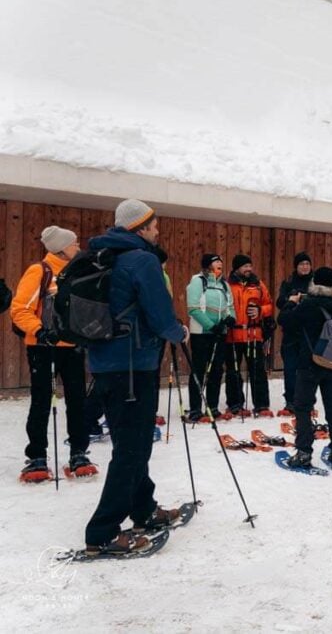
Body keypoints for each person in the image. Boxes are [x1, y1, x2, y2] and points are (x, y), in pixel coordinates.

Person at [84, 198, 189, 556]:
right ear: (140, 228)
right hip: (133, 367)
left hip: (105, 364)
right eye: (153, 225)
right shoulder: (142, 260)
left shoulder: (104, 256)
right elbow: (160, 315)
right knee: (132, 448)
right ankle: (102, 532)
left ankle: (144, 509)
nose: (157, 231)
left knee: (131, 443)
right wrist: (179, 333)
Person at [11, 225, 91, 482]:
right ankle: (37, 456)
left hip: (73, 347)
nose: (78, 246)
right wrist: (40, 331)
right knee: (42, 400)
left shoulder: (77, 272)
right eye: (74, 243)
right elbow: (19, 309)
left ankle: (79, 452)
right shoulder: (40, 271)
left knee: (77, 400)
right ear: (61, 247)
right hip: (43, 347)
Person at [278, 266, 332, 468]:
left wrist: (291, 303)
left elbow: (284, 321)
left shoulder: (309, 304)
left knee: (302, 407)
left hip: (310, 362)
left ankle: (304, 451)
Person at [185, 254, 235, 422]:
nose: (219, 264)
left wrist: (230, 318)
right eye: (216, 262)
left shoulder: (224, 284)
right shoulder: (198, 282)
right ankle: (195, 408)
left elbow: (229, 306)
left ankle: (212, 406)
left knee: (216, 370)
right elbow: (193, 308)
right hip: (201, 333)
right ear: (207, 266)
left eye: (220, 262)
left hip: (219, 334)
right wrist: (211, 326)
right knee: (199, 370)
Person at [225, 254, 274, 418]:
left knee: (258, 370)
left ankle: (261, 404)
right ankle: (235, 403)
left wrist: (260, 311)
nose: (248, 269)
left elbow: (268, 304)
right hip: (233, 334)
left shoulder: (258, 284)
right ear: (237, 268)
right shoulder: (227, 285)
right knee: (233, 371)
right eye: (245, 266)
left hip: (254, 334)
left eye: (249, 266)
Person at [276, 251, 314, 417]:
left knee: (308, 369)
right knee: (290, 368)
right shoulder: (289, 282)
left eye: (307, 264)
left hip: (309, 332)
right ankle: (290, 400)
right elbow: (279, 302)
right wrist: (291, 300)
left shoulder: (316, 283)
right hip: (291, 331)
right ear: (296, 266)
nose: (305, 267)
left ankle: (307, 400)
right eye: (301, 264)